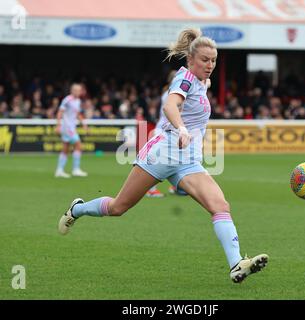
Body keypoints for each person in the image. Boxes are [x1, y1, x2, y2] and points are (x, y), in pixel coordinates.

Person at [58, 28, 269, 283]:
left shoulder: (203, 81)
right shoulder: (185, 79)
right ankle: (77, 209)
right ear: (190, 60)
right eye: (205, 60)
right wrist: (181, 128)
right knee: (118, 207)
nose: (210, 65)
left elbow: (199, 92)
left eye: (213, 60)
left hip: (188, 160)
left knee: (220, 206)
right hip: (163, 151)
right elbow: (170, 105)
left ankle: (236, 264)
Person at [55, 83, 88, 178]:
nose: (78, 92)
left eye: (79, 90)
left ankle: (59, 170)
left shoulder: (78, 101)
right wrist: (58, 125)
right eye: (76, 90)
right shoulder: (67, 100)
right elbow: (60, 112)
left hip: (71, 127)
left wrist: (83, 124)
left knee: (65, 148)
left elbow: (77, 114)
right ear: (72, 91)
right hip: (67, 128)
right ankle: (75, 169)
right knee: (78, 145)